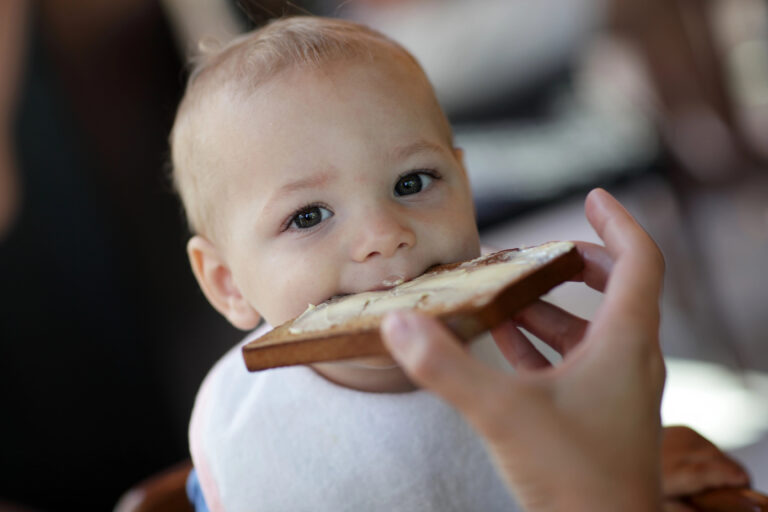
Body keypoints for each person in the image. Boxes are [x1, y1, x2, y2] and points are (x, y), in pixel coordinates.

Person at [170, 16, 748, 511]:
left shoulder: (529, 353)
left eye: (412, 181)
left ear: (465, 187)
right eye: (307, 216)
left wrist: (633, 477)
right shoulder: (244, 436)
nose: (384, 235)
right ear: (228, 284)